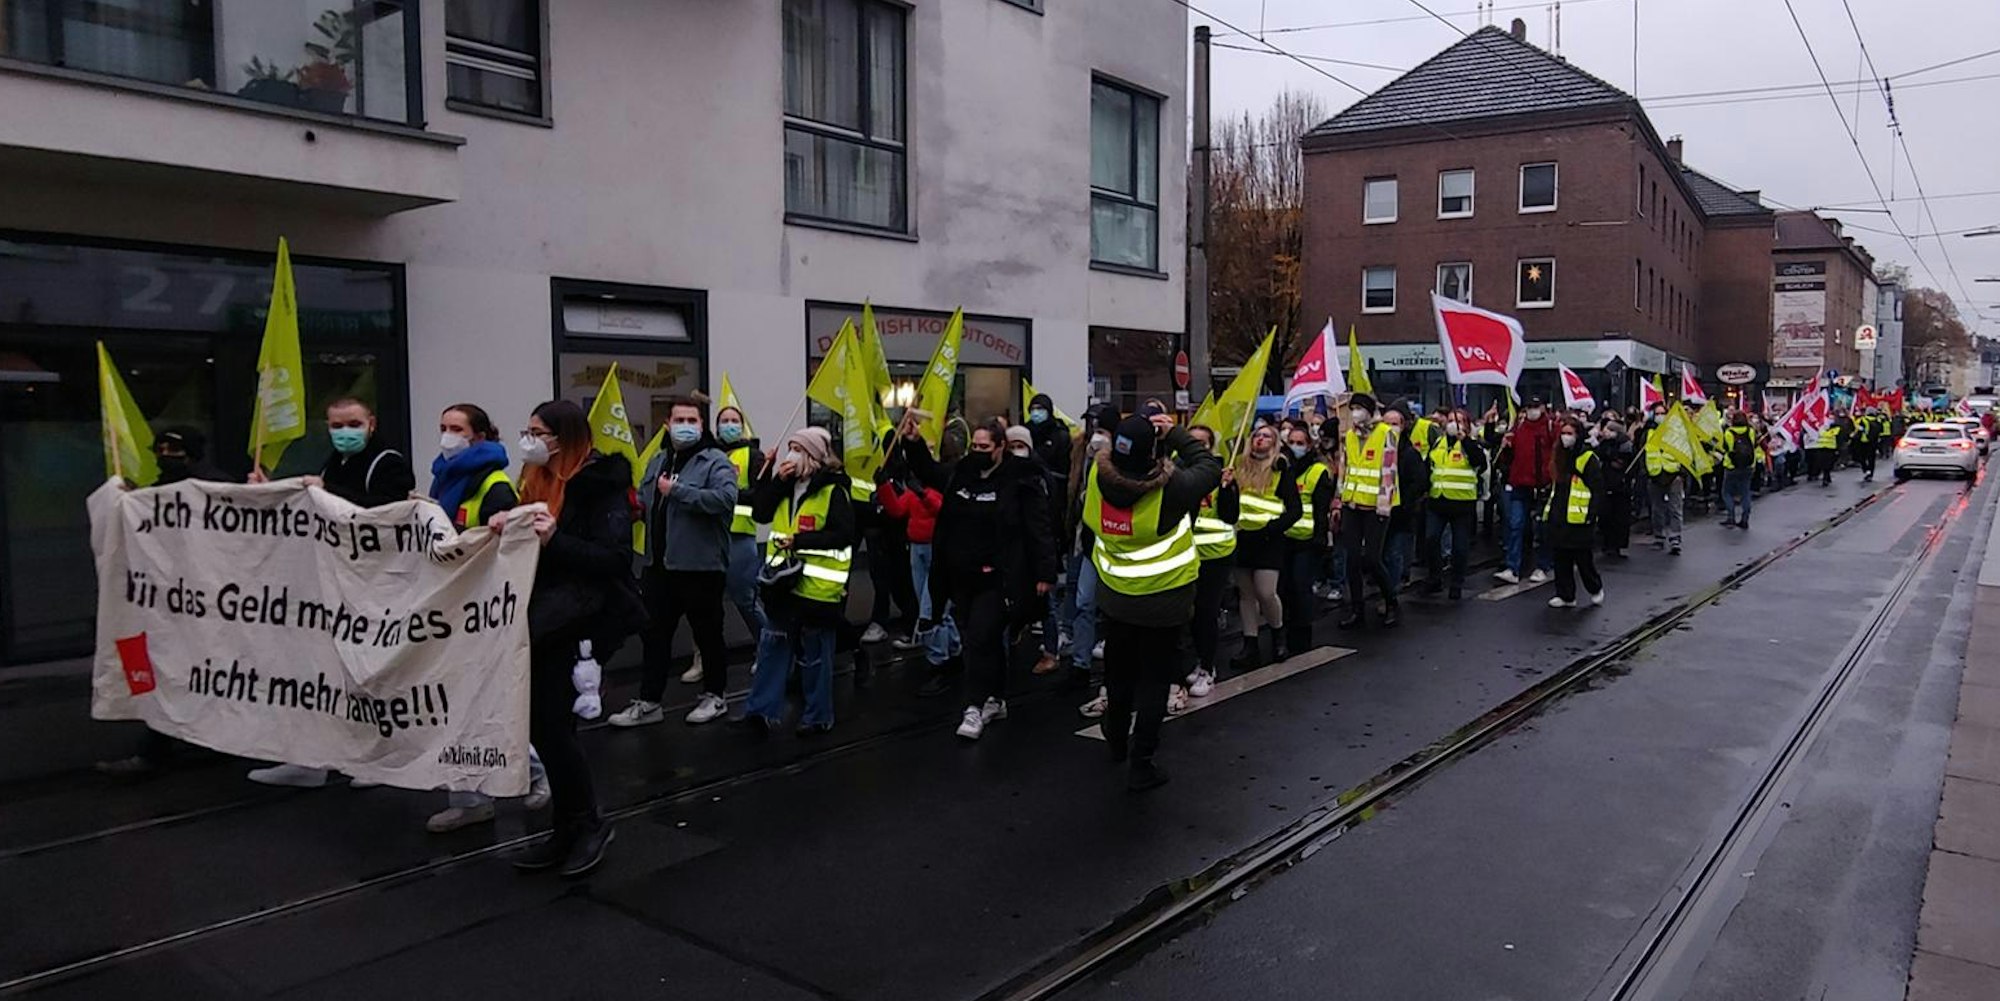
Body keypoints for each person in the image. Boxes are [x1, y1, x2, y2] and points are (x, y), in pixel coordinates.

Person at [503, 400, 642, 877]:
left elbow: (614, 559)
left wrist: (553, 538)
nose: (530, 439)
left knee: (557, 730)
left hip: (581, 624)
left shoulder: (599, 487)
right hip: (544, 619)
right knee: (544, 727)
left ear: (564, 438)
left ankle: (586, 826)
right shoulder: (536, 481)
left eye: (538, 431)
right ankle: (566, 827)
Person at [245, 398, 415, 788]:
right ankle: (312, 757)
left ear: (371, 423)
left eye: (353, 423)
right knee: (321, 671)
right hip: (336, 583)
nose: (344, 432)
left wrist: (328, 491)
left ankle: (380, 755)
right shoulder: (332, 461)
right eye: (337, 425)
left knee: (370, 673)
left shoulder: (387, 462)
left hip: (374, 585)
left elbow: (388, 512)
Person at [422, 404, 551, 833]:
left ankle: (537, 771)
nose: (447, 436)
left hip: (482, 610)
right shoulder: (445, 477)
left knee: (480, 703)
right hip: (454, 605)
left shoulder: (494, 485)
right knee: (456, 704)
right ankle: (469, 797)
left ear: (478, 436)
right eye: (442, 428)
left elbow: (508, 547)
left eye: (456, 429)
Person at [1084, 412, 1223, 791]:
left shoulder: (1098, 478)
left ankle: (1115, 737)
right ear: (1154, 453)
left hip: (1116, 597)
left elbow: (1084, 530)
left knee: (1118, 673)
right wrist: (1176, 432)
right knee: (1155, 683)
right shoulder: (1171, 488)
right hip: (1164, 601)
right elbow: (1210, 465)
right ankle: (1141, 762)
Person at [95, 428, 238, 778]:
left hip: (213, 603)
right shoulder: (154, 492)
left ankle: (179, 747)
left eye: (173, 449)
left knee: (210, 672)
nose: (164, 455)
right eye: (159, 449)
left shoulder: (216, 486)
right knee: (170, 671)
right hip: (172, 604)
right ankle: (157, 749)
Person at [905, 419, 1058, 741]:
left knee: (980, 637)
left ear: (1000, 447)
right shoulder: (963, 472)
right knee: (985, 641)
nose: (978, 452)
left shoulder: (1020, 477)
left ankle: (973, 706)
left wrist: (1046, 572)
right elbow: (931, 472)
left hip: (999, 577)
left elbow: (1038, 526)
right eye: (975, 446)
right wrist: (914, 443)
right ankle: (995, 698)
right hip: (961, 575)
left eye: (984, 448)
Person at [609, 397, 740, 729]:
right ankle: (650, 702)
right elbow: (644, 499)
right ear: (667, 425)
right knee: (654, 636)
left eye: (692, 420)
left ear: (701, 425)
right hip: (659, 566)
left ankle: (715, 696)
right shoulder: (657, 461)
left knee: (707, 634)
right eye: (679, 420)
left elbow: (725, 500)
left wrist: (679, 491)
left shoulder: (715, 462)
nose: (685, 426)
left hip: (700, 567)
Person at [737, 427, 854, 735]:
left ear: (815, 457)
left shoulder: (834, 491)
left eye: (799, 449)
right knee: (772, 645)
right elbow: (761, 512)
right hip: (783, 584)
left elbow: (843, 535)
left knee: (815, 654)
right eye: (790, 448)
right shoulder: (787, 487)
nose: (792, 455)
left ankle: (818, 716)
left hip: (817, 589)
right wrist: (775, 478)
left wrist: (800, 541)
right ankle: (760, 711)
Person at [1227, 424, 1299, 669]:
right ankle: (1250, 644)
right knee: (1246, 595)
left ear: (1275, 441)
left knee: (1266, 592)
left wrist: (1273, 528)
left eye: (1266, 435)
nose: (1260, 439)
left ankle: (1279, 634)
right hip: (1242, 537)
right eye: (1257, 435)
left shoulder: (1281, 468)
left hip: (1269, 539)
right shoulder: (1237, 465)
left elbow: (1295, 510)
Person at [712, 406, 770, 666]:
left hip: (740, 537)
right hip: (710, 536)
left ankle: (769, 648)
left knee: (745, 599)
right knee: (707, 604)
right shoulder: (709, 454)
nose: (729, 425)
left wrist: (726, 495)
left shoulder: (753, 456)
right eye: (724, 421)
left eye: (734, 420)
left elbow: (759, 496)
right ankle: (707, 659)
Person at [1185, 425, 1240, 699]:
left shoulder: (1223, 477)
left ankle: (1208, 667)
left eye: (1202, 444)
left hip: (1215, 555)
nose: (1196, 448)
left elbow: (1230, 516)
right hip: (1185, 556)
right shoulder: (1179, 474)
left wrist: (1228, 490)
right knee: (1187, 614)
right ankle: (1195, 661)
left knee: (1206, 612)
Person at [1335, 393, 1399, 629]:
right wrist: (1339, 500)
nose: (1355, 412)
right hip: (1352, 504)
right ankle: (1357, 609)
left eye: (1360, 408)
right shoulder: (1349, 436)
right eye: (1353, 408)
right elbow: (1345, 468)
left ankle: (1391, 601)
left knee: (1372, 558)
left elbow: (1389, 470)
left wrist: (1384, 505)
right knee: (1351, 559)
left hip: (1375, 506)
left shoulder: (1386, 434)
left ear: (1371, 411)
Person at [1280, 422, 1335, 650]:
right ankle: (1285, 630)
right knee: (1284, 587)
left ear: (1309, 445)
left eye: (1300, 443)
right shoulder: (1281, 467)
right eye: (1291, 442)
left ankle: (1302, 635)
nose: (1295, 447)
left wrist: (1321, 539)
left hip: (1307, 539)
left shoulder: (1318, 471)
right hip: (1282, 538)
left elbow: (1321, 510)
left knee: (1301, 585)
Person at [1423, 410, 1486, 599]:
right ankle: (1435, 577)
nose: (1452, 424)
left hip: (1462, 503)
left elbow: (1480, 463)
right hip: (1438, 501)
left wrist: (1465, 440)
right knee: (1431, 539)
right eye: (1450, 420)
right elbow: (1429, 467)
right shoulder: (1438, 443)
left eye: (1457, 421)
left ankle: (1457, 582)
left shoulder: (1471, 445)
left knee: (1460, 547)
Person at [1495, 397, 1557, 585]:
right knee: (1515, 525)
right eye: (1529, 407)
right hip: (1520, 483)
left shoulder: (1551, 427)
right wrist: (1506, 447)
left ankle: (1542, 565)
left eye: (1535, 407)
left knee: (1540, 529)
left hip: (1541, 485)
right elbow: (1509, 457)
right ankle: (1513, 567)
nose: (1532, 411)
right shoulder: (1519, 427)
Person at [1545, 416, 1605, 609]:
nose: (1565, 437)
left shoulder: (1587, 458)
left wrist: (1592, 514)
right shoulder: (1559, 456)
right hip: (1560, 514)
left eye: (1569, 434)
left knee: (1583, 558)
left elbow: (1597, 489)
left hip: (1580, 517)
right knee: (1561, 557)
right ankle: (1566, 595)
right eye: (1563, 433)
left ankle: (1595, 588)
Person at [1381, 405, 1429, 591]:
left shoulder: (1409, 453)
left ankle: (1391, 594)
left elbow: (1419, 482)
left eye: (1395, 424)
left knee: (1394, 554)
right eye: (1386, 424)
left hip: (1400, 514)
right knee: (1381, 555)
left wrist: (1404, 503)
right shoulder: (1378, 449)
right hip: (1379, 512)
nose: (1391, 428)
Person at [1640, 402, 1686, 556]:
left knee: (1675, 509)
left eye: (1662, 413)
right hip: (1654, 474)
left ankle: (1675, 539)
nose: (1660, 416)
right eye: (1657, 413)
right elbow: (1641, 453)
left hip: (1673, 474)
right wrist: (1645, 471)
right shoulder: (1648, 432)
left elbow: (1684, 452)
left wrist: (1681, 472)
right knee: (1657, 509)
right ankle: (1659, 537)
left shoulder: (1676, 432)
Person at [1592, 418, 1633, 559]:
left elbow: (1624, 461)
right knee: (1606, 516)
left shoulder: (1624, 444)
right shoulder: (1604, 444)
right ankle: (1607, 544)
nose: (1606, 432)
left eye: (1610, 430)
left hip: (1620, 486)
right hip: (1605, 484)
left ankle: (1617, 545)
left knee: (1619, 518)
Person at [1720, 411, 1760, 529]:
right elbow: (1754, 445)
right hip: (1748, 466)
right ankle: (1745, 518)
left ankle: (1731, 517)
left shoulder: (1729, 432)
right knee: (1745, 492)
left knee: (1727, 492)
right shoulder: (1750, 431)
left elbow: (1726, 448)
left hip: (1732, 466)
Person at [1806, 416, 1841, 487]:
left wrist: (1838, 449)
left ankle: (1827, 476)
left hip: (1831, 449)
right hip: (1821, 448)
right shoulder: (1820, 428)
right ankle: (1825, 478)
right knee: (1823, 464)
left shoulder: (1836, 429)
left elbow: (1838, 439)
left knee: (1829, 464)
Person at [1850, 406, 1879, 482]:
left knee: (1862, 457)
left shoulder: (1863, 420)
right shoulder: (1878, 421)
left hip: (1863, 441)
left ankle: (1866, 470)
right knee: (1871, 459)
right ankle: (1870, 474)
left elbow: (1859, 430)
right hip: (1873, 442)